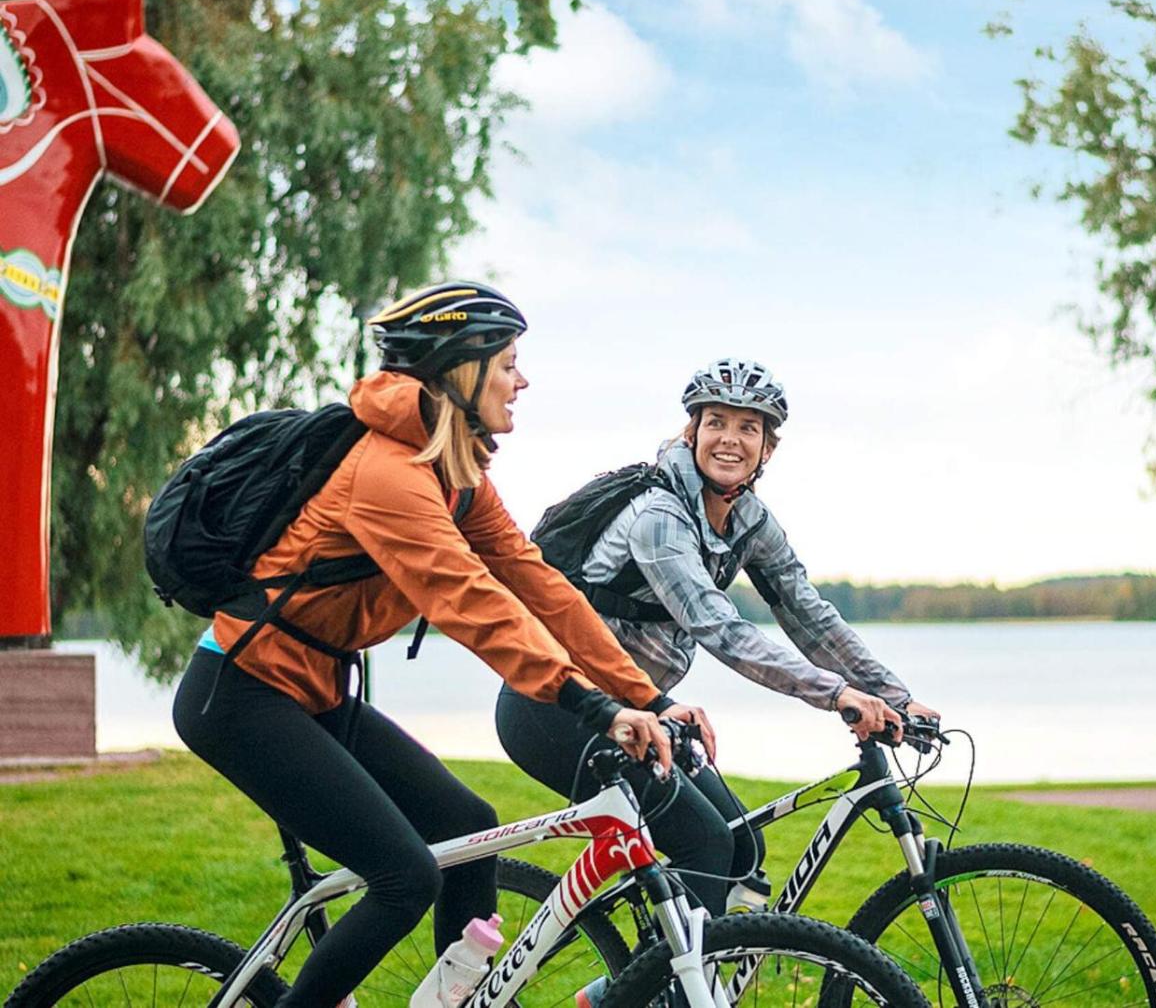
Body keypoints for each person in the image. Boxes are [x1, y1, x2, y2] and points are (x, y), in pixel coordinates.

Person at [172, 282, 712, 1008]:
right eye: (509, 364)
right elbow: (470, 602)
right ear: (462, 370)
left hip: (315, 694)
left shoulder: (457, 478)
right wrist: (592, 706)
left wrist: (646, 695)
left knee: (469, 831)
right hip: (240, 697)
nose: (522, 381)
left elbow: (540, 587)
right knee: (404, 877)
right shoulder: (385, 474)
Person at [496, 357, 938, 933]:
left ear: (767, 448)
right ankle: (674, 977)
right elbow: (718, 627)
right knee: (703, 843)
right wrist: (836, 695)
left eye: (748, 427)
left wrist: (893, 695)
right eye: (716, 423)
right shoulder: (657, 516)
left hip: (642, 713)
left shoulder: (748, 521)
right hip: (556, 709)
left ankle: (663, 970)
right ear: (692, 432)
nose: (730, 439)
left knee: (740, 847)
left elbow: (809, 615)